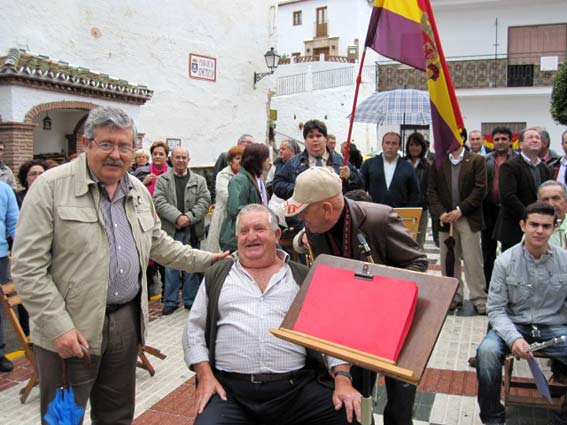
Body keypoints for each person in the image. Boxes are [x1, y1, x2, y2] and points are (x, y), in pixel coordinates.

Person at [11, 106, 229, 425]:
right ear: (86, 144)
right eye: (106, 144)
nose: (116, 154)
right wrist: (59, 327)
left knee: (116, 416)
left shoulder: (138, 191)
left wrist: (208, 260)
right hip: (71, 330)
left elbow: (158, 243)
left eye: (124, 146)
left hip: (126, 324)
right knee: (63, 419)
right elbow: (27, 268)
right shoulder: (50, 187)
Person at [184, 204, 362, 425]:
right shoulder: (217, 275)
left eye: (259, 229)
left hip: (296, 390)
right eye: (244, 231)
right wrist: (204, 376)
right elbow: (194, 330)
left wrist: (343, 378)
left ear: (277, 234)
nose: (251, 237)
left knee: (347, 416)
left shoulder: (302, 277)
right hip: (231, 393)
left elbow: (331, 332)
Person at [285, 167, 428, 425]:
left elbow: (418, 263)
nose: (302, 218)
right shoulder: (316, 228)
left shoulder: (379, 219)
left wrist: (381, 295)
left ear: (327, 208)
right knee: (358, 395)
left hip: (394, 322)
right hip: (350, 325)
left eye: (305, 211)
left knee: (400, 399)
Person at [476, 202, 567, 425]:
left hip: (553, 327)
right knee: (486, 353)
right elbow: (496, 309)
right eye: (534, 224)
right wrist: (514, 337)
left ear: (555, 227)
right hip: (513, 325)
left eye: (546, 226)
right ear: (522, 225)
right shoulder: (505, 261)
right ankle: (493, 418)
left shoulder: (564, 261)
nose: (539, 231)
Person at [428, 144, 488, 313]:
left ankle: (479, 297)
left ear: (461, 137)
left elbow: (480, 189)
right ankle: (453, 296)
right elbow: (431, 190)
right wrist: (440, 212)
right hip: (446, 218)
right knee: (448, 259)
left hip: (467, 216)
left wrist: (461, 210)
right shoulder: (438, 162)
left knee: (472, 259)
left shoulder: (476, 160)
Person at [153, 146, 211, 315]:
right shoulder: (163, 180)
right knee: (171, 266)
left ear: (188, 160)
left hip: (192, 230)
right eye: (177, 157)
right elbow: (159, 201)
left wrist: (189, 217)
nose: (180, 160)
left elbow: (205, 201)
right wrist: (177, 217)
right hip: (171, 229)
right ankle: (170, 301)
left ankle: (190, 300)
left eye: (184, 157)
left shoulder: (199, 180)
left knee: (191, 265)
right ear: (171, 159)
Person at [273, 120, 361, 203]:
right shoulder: (293, 163)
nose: (315, 140)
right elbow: (277, 184)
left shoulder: (340, 161)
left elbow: (360, 185)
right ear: (305, 140)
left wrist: (350, 176)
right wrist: (298, 189)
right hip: (303, 216)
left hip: (334, 215)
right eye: (310, 136)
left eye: (319, 136)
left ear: (325, 139)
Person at [495, 127, 552, 252]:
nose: (535, 140)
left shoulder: (545, 168)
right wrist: (529, 217)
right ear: (521, 144)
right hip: (514, 227)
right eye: (530, 137)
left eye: (537, 138)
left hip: (539, 228)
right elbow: (508, 197)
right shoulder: (509, 166)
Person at [219, 143, 271, 252]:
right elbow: (234, 209)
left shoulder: (257, 178)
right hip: (236, 239)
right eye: (266, 158)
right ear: (257, 161)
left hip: (251, 235)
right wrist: (259, 210)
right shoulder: (239, 180)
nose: (269, 161)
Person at [482, 127, 516, 287]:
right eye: (497, 139)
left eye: (504, 138)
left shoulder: (517, 159)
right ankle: (489, 285)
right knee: (488, 250)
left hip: (510, 210)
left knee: (509, 250)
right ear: (492, 142)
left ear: (510, 141)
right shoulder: (485, 160)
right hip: (489, 209)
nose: (500, 142)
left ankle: (508, 285)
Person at [360, 131, 420, 208]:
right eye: (387, 143)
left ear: (399, 146)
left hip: (400, 212)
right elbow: (361, 186)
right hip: (374, 211)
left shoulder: (408, 167)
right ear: (382, 145)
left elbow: (414, 192)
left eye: (394, 143)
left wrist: (409, 209)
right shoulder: (369, 164)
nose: (390, 146)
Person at [205, 146, 245, 253]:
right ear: (230, 161)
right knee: (222, 250)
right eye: (237, 158)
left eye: (243, 158)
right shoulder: (223, 175)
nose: (240, 161)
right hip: (225, 216)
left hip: (243, 216)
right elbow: (227, 197)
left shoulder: (246, 175)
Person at [0, 180, 18, 372]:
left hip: (0, 256)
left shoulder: (4, 190)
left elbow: (14, 223)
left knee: (0, 307)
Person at [404, 132, 430, 248]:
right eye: (411, 145)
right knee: (403, 241)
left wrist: (425, 201)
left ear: (422, 147)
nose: (414, 148)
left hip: (421, 209)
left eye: (417, 145)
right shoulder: (401, 163)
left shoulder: (427, 166)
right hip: (403, 208)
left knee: (418, 243)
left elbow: (430, 187)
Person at [211, 134, 254, 202]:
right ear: (239, 143)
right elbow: (215, 180)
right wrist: (213, 200)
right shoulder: (225, 157)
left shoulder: (251, 162)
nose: (252, 146)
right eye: (249, 143)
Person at [538, 180, 567, 248]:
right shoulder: (532, 229)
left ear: (566, 202)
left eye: (556, 198)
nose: (551, 204)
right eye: (545, 199)